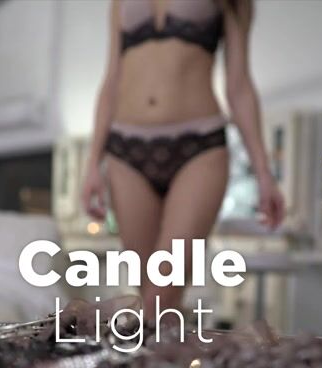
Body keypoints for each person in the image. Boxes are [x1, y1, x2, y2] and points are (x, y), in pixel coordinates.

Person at [81, 0, 283, 318]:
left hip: (199, 148)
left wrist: (264, 173)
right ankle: (165, 347)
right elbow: (111, 82)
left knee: (159, 297)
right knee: (150, 295)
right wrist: (93, 161)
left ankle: (155, 344)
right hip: (125, 152)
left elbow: (239, 86)